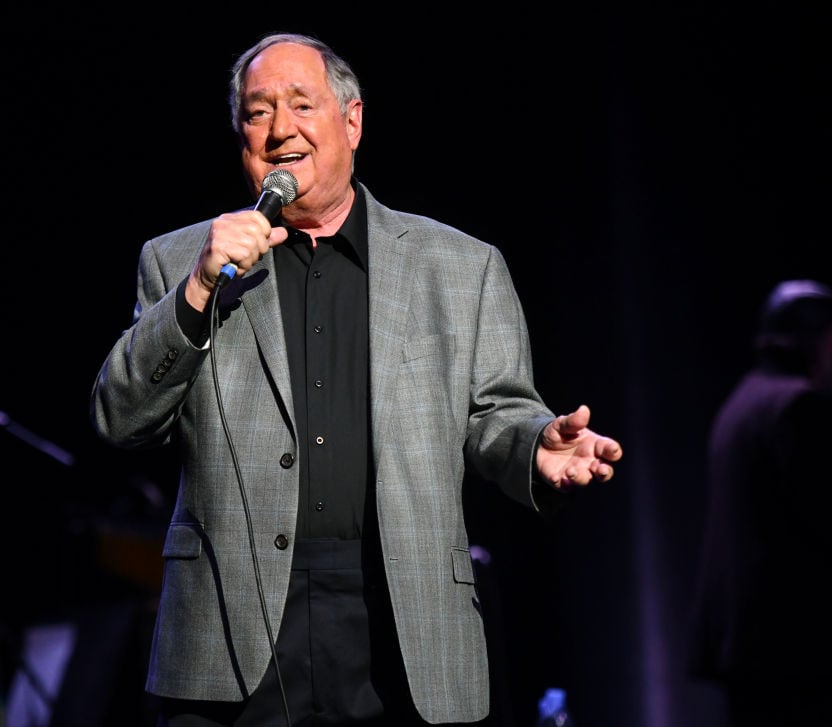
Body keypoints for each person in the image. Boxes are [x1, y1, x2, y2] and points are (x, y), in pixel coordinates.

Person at [90, 32, 623, 727]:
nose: (280, 129)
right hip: (232, 630)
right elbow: (121, 418)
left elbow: (496, 414)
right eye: (257, 113)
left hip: (399, 616)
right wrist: (196, 289)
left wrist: (534, 449)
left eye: (301, 105)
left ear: (352, 121)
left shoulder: (460, 266)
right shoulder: (179, 261)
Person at [687, 279, 832, 727]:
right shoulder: (796, 407)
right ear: (815, 341)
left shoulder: (744, 400)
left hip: (748, 646)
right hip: (792, 649)